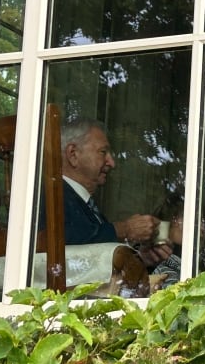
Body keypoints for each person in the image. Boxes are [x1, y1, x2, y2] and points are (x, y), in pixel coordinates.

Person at [60, 117, 172, 295]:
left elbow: (93, 258)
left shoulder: (84, 203)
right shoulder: (51, 196)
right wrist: (125, 229)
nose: (112, 162)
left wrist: (140, 258)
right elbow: (68, 240)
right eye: (103, 152)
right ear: (73, 154)